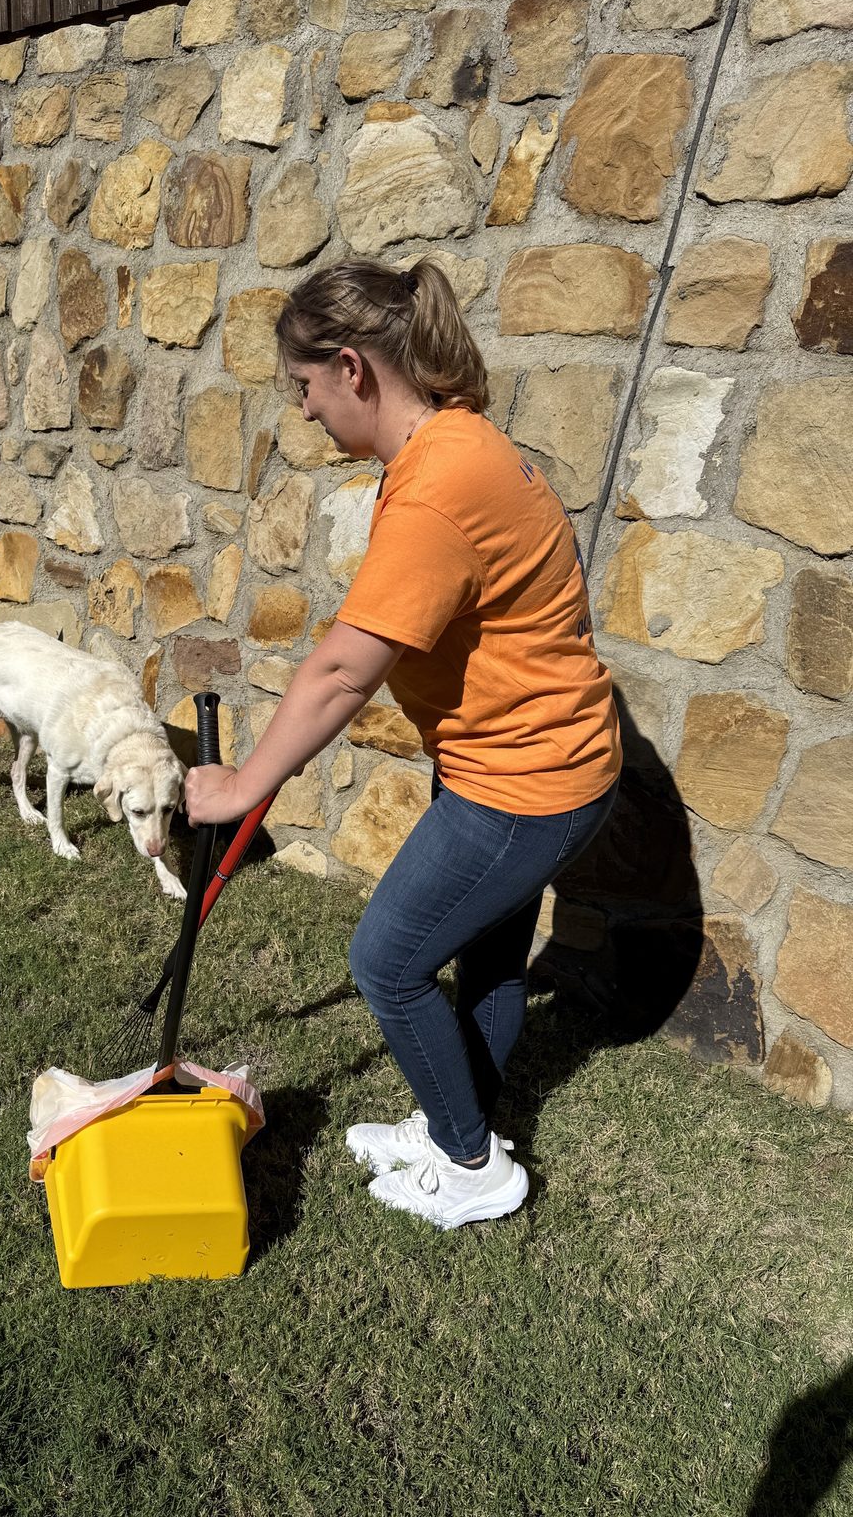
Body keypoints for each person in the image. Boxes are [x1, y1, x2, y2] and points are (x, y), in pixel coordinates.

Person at [185, 257, 621, 1232]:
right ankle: (452, 1123)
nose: (301, 413)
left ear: (352, 368)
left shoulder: (437, 486)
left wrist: (243, 785)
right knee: (490, 958)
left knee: (387, 961)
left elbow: (344, 672)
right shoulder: (448, 447)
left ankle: (471, 1163)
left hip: (528, 783)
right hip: (524, 763)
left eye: (302, 388)